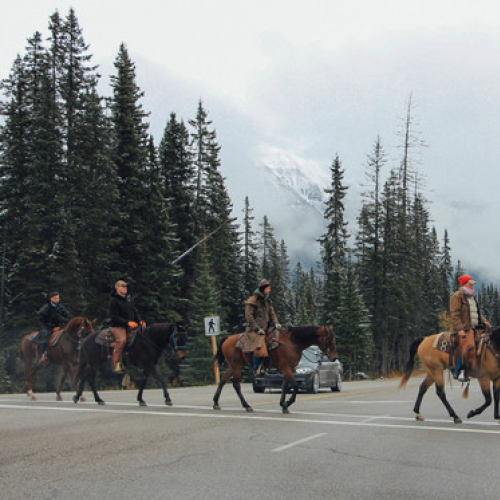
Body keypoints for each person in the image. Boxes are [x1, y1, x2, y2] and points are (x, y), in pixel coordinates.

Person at [450, 274, 490, 382]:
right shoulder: (457, 296)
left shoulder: (472, 297)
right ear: (464, 284)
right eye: (470, 284)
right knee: (468, 347)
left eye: (472, 284)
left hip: (475, 327)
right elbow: (454, 314)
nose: (472, 286)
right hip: (464, 328)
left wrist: (484, 320)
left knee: (488, 341)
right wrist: (460, 329)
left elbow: (477, 312)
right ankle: (459, 371)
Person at [244, 279, 281, 375]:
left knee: (279, 338)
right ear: (263, 289)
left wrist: (276, 323)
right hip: (254, 329)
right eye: (268, 288)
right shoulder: (252, 301)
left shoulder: (267, 301)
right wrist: (257, 329)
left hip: (266, 326)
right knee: (259, 347)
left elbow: (272, 313)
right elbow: (248, 316)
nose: (270, 290)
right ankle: (256, 369)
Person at [109, 280, 145, 374]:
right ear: (117, 288)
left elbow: (135, 312)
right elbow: (115, 317)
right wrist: (128, 322)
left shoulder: (128, 300)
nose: (125, 288)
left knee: (141, 337)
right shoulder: (114, 301)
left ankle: (140, 362)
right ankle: (116, 365)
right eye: (123, 286)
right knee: (122, 340)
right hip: (118, 327)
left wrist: (140, 320)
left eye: (126, 286)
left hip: (130, 327)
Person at [36, 292, 71, 365]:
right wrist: (45, 327)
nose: (57, 299)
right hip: (47, 327)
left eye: (58, 298)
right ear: (51, 299)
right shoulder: (46, 308)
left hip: (60, 326)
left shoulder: (61, 307)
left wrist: (61, 319)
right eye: (55, 298)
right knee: (44, 336)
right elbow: (40, 320)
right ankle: (41, 356)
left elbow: (68, 317)